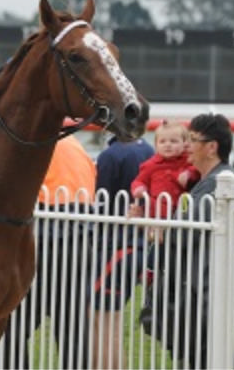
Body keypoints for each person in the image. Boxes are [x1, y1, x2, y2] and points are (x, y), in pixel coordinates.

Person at [145, 113, 234, 368]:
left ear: (212, 147)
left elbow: (185, 234)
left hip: (219, 292)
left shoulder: (217, 185)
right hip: (212, 290)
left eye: (193, 140)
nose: (186, 146)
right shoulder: (207, 183)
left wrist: (161, 229)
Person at [4, 136, 96, 369]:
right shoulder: (75, 144)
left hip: (45, 238)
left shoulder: (35, 142)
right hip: (79, 242)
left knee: (12, 325)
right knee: (72, 327)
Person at [90, 134, 154, 369]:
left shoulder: (110, 155)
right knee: (111, 322)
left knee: (104, 324)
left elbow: (99, 202)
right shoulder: (149, 150)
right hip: (139, 245)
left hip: (116, 246)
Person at [130, 120, 200, 219]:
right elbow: (139, 180)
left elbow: (197, 171)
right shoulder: (151, 165)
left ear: (184, 143)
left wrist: (189, 173)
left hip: (181, 213)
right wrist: (139, 188)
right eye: (162, 141)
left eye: (173, 141)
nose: (168, 145)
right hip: (156, 213)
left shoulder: (188, 161)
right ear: (156, 145)